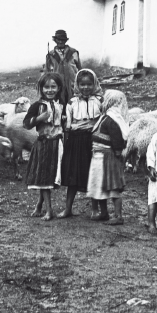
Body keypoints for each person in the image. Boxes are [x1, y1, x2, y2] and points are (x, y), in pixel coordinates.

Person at [58, 68, 102, 218]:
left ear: (95, 84)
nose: (86, 88)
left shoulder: (100, 101)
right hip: (76, 141)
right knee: (73, 174)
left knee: (93, 173)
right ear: (77, 85)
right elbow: (68, 124)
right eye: (82, 84)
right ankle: (68, 208)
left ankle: (95, 209)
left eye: (89, 84)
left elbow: (102, 121)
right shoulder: (72, 102)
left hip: (93, 140)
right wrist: (67, 140)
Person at [23, 72, 66, 220]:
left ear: (59, 88)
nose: (50, 90)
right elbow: (26, 124)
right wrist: (39, 118)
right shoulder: (37, 106)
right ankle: (49, 210)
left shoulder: (61, 105)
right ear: (41, 89)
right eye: (46, 87)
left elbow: (64, 124)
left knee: (49, 177)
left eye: (53, 87)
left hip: (57, 144)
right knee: (45, 177)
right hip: (43, 144)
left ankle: (39, 206)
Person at [87, 89, 129, 225]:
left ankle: (118, 216)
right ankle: (104, 213)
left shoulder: (112, 120)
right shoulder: (106, 117)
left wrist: (117, 154)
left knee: (112, 186)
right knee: (100, 186)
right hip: (99, 156)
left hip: (108, 158)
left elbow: (117, 140)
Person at [43, 29, 81, 102]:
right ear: (55, 40)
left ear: (65, 41)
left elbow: (79, 69)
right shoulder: (51, 55)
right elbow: (47, 71)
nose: (60, 42)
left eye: (62, 40)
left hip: (72, 83)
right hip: (57, 83)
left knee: (73, 102)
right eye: (58, 39)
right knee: (58, 102)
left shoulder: (73, 53)